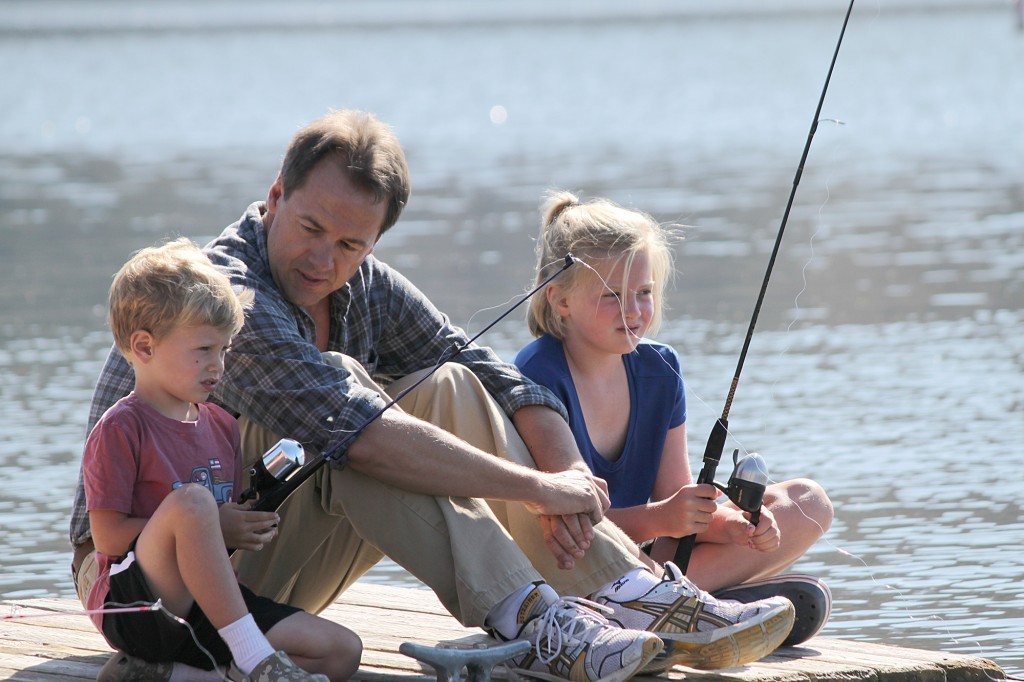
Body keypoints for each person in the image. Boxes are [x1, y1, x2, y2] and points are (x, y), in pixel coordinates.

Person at [70, 109, 797, 680]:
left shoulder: (360, 285)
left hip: (260, 554)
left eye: (353, 244)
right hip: (156, 581)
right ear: (274, 198)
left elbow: (486, 367)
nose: (327, 259)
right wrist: (538, 489)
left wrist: (568, 471)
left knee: (442, 381)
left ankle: (629, 591)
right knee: (352, 416)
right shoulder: (231, 297)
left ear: (375, 243)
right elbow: (358, 431)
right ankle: (539, 619)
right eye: (311, 228)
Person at [515, 191, 836, 646]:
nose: (633, 311)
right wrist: (662, 517)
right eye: (612, 296)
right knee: (603, 557)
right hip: (574, 565)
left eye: (644, 293)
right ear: (560, 300)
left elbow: (678, 506)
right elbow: (560, 529)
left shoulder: (660, 370)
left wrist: (740, 527)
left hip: (650, 560)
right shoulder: (535, 376)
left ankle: (689, 606)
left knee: (809, 503)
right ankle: (700, 609)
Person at [81, 238, 358, 682]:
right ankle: (251, 656)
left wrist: (242, 525)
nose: (219, 365)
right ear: (145, 347)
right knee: (193, 505)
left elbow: (220, 542)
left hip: (210, 606)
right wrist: (209, 522)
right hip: (138, 604)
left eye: (224, 349)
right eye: (204, 350)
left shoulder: (222, 425)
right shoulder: (121, 427)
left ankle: (171, 674)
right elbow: (108, 537)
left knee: (341, 652)